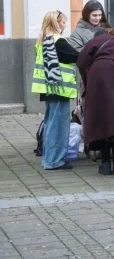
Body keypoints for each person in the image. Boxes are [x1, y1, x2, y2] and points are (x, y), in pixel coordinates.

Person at [77, 27, 114, 175]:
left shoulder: (95, 41)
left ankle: (104, 163)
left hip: (99, 73)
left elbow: (81, 62)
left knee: (102, 116)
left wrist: (88, 81)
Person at [32, 11, 80, 170]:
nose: (65, 25)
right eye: (63, 22)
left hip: (48, 88)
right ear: (56, 23)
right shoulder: (58, 41)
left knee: (50, 124)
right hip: (59, 88)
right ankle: (54, 161)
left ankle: (49, 159)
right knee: (58, 125)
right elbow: (76, 55)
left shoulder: (43, 40)